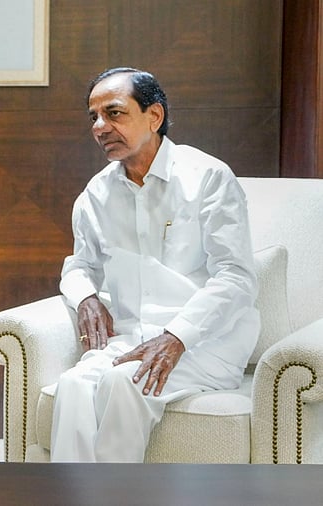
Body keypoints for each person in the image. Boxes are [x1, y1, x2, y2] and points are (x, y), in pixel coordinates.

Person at [50, 68, 259, 462]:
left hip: (205, 342)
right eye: (93, 116)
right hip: (132, 337)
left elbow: (236, 276)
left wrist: (177, 336)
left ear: (154, 116)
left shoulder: (208, 178)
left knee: (124, 382)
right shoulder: (97, 193)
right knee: (74, 386)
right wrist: (86, 298)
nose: (100, 127)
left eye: (114, 113)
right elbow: (79, 264)